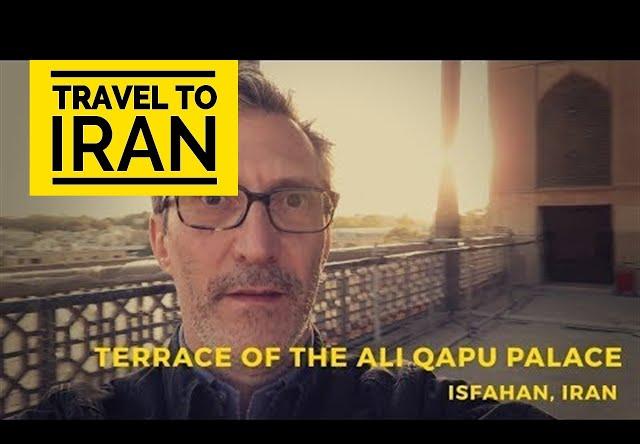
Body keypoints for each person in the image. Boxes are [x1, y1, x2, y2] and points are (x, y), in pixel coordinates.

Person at [13, 64, 552, 420]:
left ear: (328, 236)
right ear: (160, 240)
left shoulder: (410, 407)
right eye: (213, 200)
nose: (257, 245)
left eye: (293, 202)